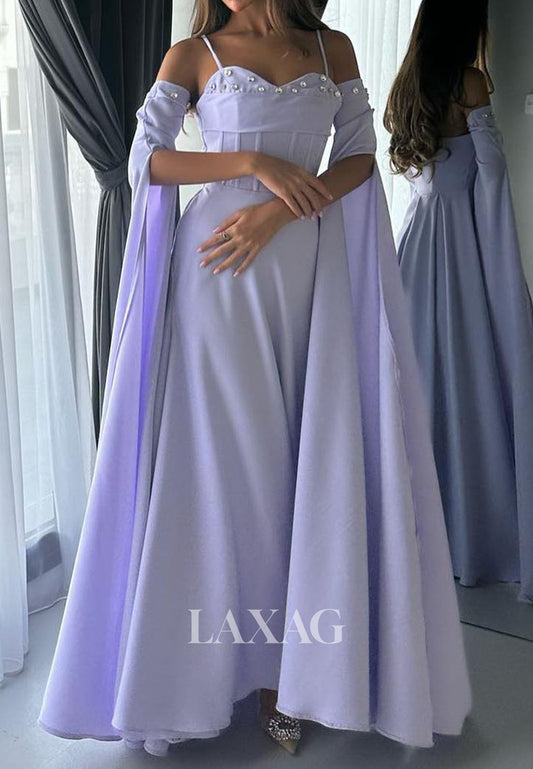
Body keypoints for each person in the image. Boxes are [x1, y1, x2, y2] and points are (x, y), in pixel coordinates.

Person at [37, 0, 471, 758]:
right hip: (216, 276)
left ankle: (288, 677)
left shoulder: (331, 47)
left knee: (303, 468)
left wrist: (282, 209)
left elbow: (360, 156)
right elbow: (147, 161)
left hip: (309, 279)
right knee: (227, 474)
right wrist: (251, 164)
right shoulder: (192, 53)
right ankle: (203, 675)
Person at [385, 0, 533, 604]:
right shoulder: (470, 82)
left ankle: (413, 534)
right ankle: (474, 531)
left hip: (417, 240)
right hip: (464, 244)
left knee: (419, 378)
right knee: (471, 376)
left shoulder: (407, 83)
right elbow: (491, 169)